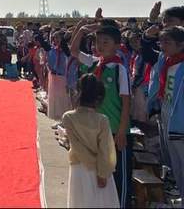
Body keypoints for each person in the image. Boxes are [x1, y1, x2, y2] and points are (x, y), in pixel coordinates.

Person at [71, 20, 131, 207]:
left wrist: (122, 131)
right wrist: (81, 30)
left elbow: (126, 102)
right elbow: (74, 51)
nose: (100, 46)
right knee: (101, 173)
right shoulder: (94, 63)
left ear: (117, 45)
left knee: (118, 174)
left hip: (115, 130)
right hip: (96, 130)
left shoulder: (119, 69)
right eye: (98, 42)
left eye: (106, 42)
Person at [62, 74, 119, 208]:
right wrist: (102, 173)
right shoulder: (102, 120)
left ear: (78, 93)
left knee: (80, 203)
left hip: (79, 168)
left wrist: (91, 164)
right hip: (101, 169)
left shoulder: (68, 118)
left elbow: (76, 146)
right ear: (98, 98)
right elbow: (106, 150)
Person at [144, 26, 184, 199]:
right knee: (176, 165)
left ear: (181, 44)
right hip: (166, 115)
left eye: (167, 42)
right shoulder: (165, 60)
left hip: (180, 123)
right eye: (161, 42)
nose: (162, 46)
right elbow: (147, 52)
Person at [40, 30, 72, 121]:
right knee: (55, 99)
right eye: (54, 38)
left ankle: (65, 120)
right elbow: (41, 41)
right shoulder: (52, 49)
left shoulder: (67, 50)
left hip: (63, 78)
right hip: (54, 77)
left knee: (64, 100)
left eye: (58, 37)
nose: (55, 40)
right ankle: (59, 119)